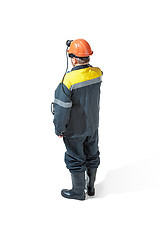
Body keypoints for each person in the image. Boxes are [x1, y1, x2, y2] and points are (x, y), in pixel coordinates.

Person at [52, 39, 103, 200]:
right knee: (92, 154)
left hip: (75, 130)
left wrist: (59, 129)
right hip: (92, 126)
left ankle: (78, 192)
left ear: (73, 59)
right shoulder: (97, 73)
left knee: (75, 157)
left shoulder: (68, 81)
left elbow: (61, 109)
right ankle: (91, 187)